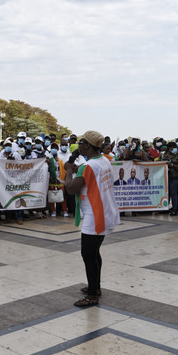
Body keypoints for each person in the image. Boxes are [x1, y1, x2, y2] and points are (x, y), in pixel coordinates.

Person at [64, 130, 120, 307]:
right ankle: (95, 287)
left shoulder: (88, 167)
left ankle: (92, 296)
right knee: (94, 253)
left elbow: (71, 189)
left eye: (81, 142)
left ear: (88, 145)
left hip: (94, 214)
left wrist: (67, 171)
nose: (78, 145)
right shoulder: (104, 161)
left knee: (88, 254)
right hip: (104, 211)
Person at [163, 142, 178, 215]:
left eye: (175, 147)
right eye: (172, 147)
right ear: (169, 148)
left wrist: (172, 165)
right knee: (166, 193)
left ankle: (175, 208)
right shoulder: (163, 156)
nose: (174, 149)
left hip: (174, 177)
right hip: (165, 177)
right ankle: (166, 208)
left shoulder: (177, 157)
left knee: (174, 193)